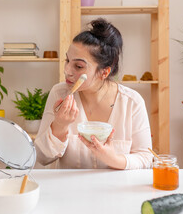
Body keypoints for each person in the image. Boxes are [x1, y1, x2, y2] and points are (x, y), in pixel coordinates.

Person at [34, 18, 152, 169]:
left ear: (104, 72)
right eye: (67, 60)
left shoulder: (132, 102)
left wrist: (113, 159)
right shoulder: (59, 94)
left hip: (116, 190)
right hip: (70, 191)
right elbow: (42, 158)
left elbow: (146, 158)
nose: (67, 70)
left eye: (78, 66)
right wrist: (59, 126)